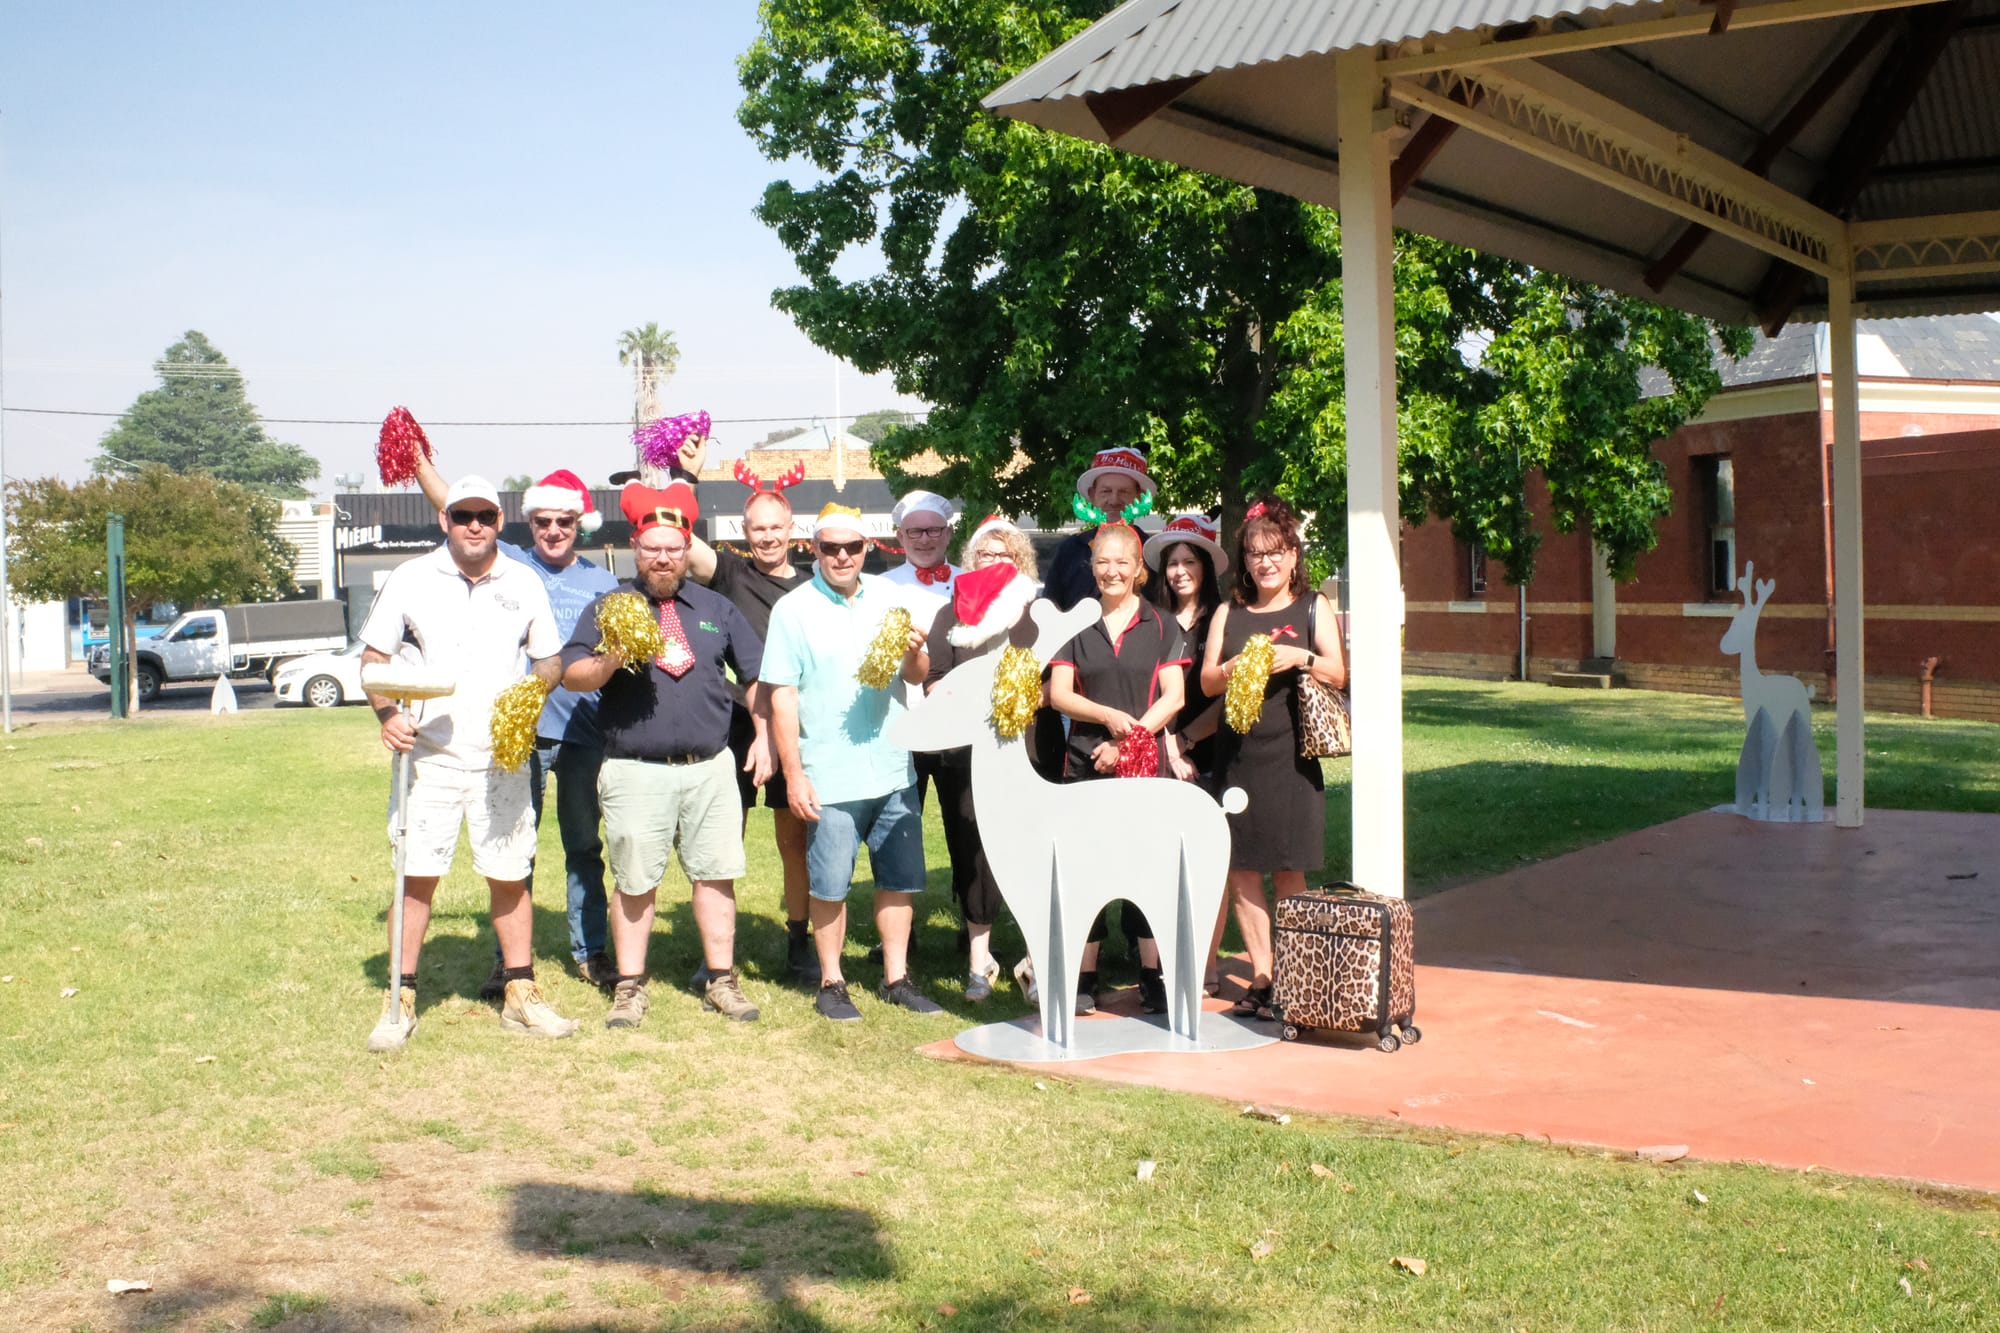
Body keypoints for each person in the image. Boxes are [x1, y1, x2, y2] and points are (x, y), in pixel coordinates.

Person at [361, 475, 576, 1051]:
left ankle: (520, 995)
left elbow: (550, 659)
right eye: (462, 515)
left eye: (484, 515)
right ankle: (399, 1000)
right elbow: (374, 658)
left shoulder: (523, 581)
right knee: (415, 876)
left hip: (500, 757)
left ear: (499, 522)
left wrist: (532, 693)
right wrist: (387, 713)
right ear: (445, 521)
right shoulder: (411, 577)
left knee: (509, 874)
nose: (474, 525)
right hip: (428, 757)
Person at [412, 456, 622, 995]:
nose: (553, 531)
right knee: (511, 852)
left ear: (578, 524)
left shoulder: (603, 581)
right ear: (527, 524)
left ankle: (591, 952)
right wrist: (417, 460)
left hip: (583, 732)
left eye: (564, 522)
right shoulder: (509, 563)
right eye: (543, 521)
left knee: (583, 847)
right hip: (516, 736)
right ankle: (508, 962)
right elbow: (458, 508)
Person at [561, 481, 765, 1028]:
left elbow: (754, 678)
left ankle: (721, 979)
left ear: (687, 548)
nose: (663, 558)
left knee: (716, 875)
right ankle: (630, 987)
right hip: (635, 771)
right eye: (652, 548)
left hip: (709, 768)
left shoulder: (716, 607)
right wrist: (611, 658)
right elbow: (573, 673)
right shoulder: (610, 607)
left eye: (673, 548)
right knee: (634, 881)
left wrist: (766, 735)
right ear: (636, 547)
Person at [762, 503, 943, 1022]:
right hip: (829, 775)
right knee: (830, 885)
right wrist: (794, 774)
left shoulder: (889, 597)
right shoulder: (793, 610)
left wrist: (915, 651)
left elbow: (917, 674)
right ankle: (832, 981)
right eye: (831, 547)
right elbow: (782, 697)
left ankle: (896, 978)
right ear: (813, 549)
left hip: (891, 766)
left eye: (853, 547)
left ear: (868, 548)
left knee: (898, 881)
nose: (842, 556)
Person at [1199, 495, 1348, 1018]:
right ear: (1245, 560)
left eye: (1275, 552)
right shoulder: (1229, 611)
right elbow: (1208, 681)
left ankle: (1292, 976)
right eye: (1256, 553)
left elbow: (1338, 672)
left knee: (1288, 869)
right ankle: (1262, 977)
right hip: (1237, 758)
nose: (1265, 562)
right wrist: (1235, 665)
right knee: (1241, 869)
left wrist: (1300, 656)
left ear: (1292, 555)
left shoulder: (1312, 606)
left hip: (1291, 758)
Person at [1047, 521, 1189, 1015]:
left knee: (1145, 868)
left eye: (1122, 562)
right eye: (1102, 562)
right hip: (1084, 766)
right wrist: (1106, 717)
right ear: (1091, 567)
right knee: (1085, 868)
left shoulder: (1163, 624)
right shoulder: (1073, 624)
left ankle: (1153, 974)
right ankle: (1085, 976)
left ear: (1138, 570)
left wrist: (1127, 739)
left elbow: (1174, 696)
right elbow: (1059, 694)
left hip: (1144, 768)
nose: (1112, 571)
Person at [686, 475, 817, 983]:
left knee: (794, 841)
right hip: (735, 725)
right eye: (757, 529)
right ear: (744, 532)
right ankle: (716, 952)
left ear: (791, 528)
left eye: (775, 528)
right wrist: (686, 478)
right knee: (724, 841)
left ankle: (799, 943)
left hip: (793, 727)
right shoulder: (731, 573)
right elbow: (683, 541)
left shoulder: (812, 587)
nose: (767, 537)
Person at [912, 516, 1040, 1001]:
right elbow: (934, 682)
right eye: (985, 554)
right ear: (971, 560)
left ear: (1019, 560)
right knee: (973, 852)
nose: (994, 562)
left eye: (1003, 554)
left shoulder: (1035, 612)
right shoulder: (951, 614)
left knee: (1028, 852)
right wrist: (968, 697)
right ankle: (979, 960)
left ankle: (1034, 959)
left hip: (1026, 753)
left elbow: (1053, 678)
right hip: (966, 757)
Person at [1044, 447, 1156, 612]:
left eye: (1124, 492)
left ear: (1139, 496)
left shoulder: (1153, 553)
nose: (1114, 500)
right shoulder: (1070, 550)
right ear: (1092, 494)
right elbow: (1049, 609)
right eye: (1106, 491)